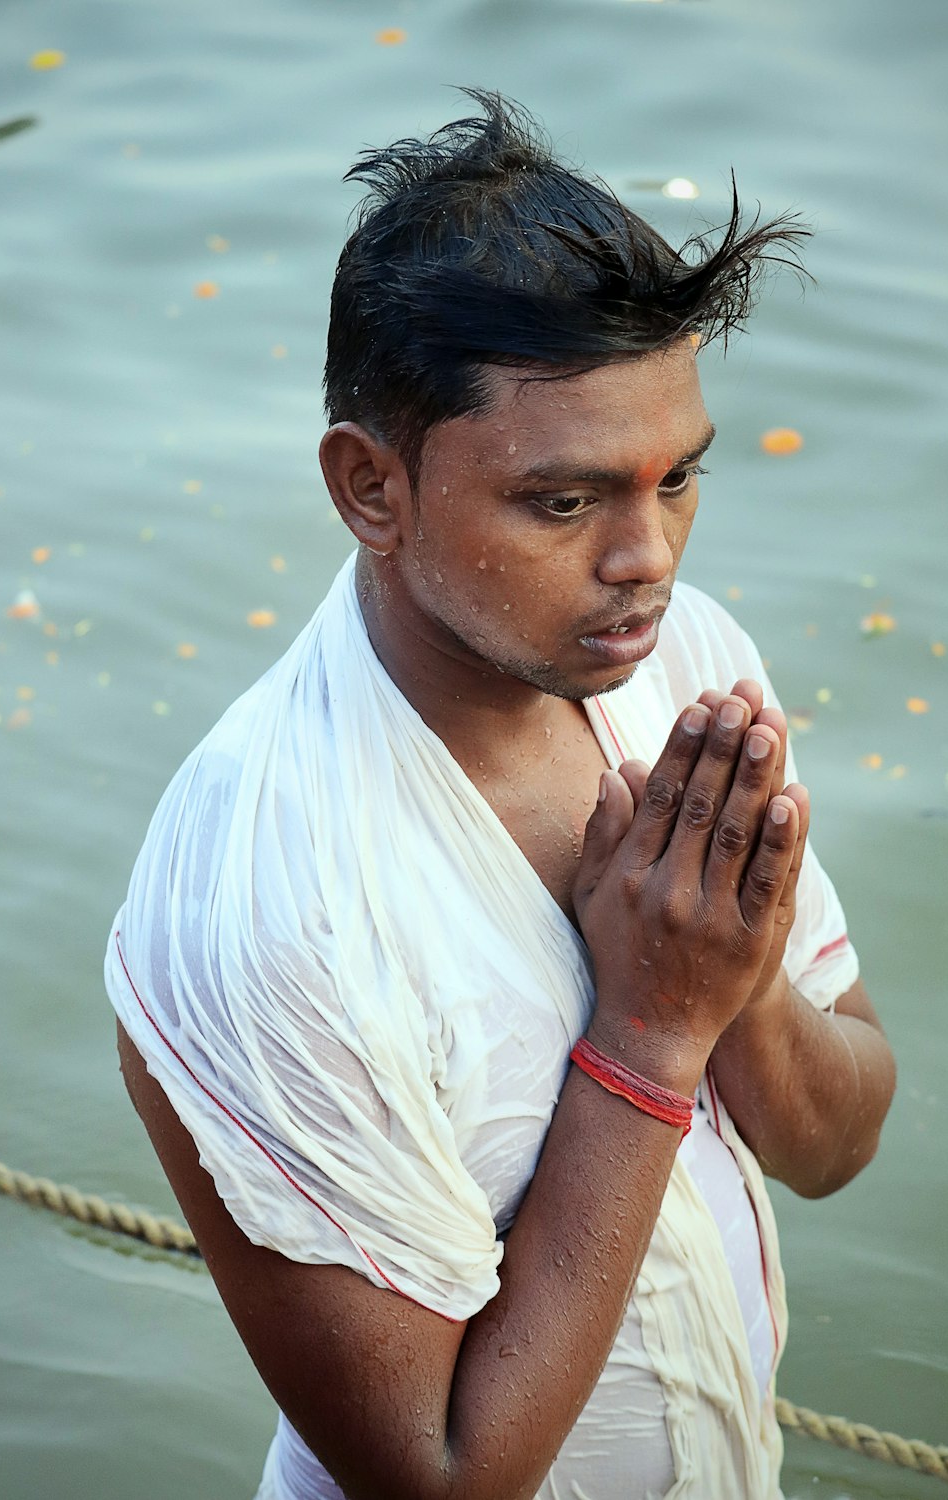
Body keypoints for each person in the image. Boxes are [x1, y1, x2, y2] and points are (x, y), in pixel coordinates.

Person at [107, 91, 896, 1500]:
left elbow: (837, 1143)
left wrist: (733, 983)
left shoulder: (685, 669)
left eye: (679, 481)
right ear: (372, 488)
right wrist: (651, 1036)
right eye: (565, 502)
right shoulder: (275, 900)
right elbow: (444, 1476)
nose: (648, 558)